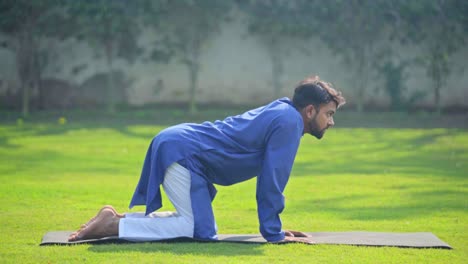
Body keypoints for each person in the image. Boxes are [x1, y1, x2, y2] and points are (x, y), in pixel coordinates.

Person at [68, 75, 345, 244]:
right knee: (195, 229)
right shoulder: (289, 122)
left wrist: (276, 228)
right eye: (329, 113)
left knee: (200, 226)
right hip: (184, 153)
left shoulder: (284, 113)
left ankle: (118, 218)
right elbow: (272, 180)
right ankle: (114, 226)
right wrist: (273, 233)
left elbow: (269, 178)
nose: (331, 122)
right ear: (310, 110)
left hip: (185, 150)